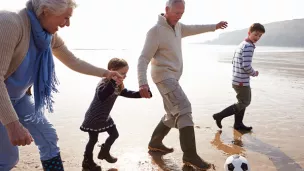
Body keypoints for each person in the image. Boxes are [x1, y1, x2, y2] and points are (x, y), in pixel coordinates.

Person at [0, 0, 122, 170]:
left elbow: (73, 61)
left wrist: (106, 73)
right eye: (65, 18)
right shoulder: (9, 23)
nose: (68, 24)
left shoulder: (48, 36)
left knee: (48, 137)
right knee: (8, 159)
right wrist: (13, 125)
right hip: (2, 102)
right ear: (45, 11)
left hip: (19, 99)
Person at [137, 0, 228, 170]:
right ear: (166, 9)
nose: (179, 16)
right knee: (184, 108)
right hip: (163, 77)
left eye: (182, 13)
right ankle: (190, 155)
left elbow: (195, 28)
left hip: (173, 77)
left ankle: (155, 143)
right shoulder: (155, 31)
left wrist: (214, 26)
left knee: (173, 113)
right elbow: (143, 59)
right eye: (177, 13)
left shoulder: (178, 27)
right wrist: (142, 83)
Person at [80, 58, 152, 171]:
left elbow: (126, 92)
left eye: (126, 74)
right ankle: (87, 162)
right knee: (93, 140)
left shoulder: (118, 85)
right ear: (112, 71)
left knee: (114, 134)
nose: (124, 76)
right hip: (94, 117)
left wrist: (141, 94)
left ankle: (104, 152)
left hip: (105, 116)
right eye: (122, 73)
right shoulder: (104, 82)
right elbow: (102, 96)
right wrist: (113, 81)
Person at [212, 23, 265, 131]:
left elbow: (234, 61)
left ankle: (238, 124)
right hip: (241, 81)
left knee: (242, 102)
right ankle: (219, 116)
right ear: (249, 33)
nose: (257, 38)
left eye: (260, 36)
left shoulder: (242, 44)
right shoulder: (248, 46)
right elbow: (246, 65)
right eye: (256, 34)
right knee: (245, 102)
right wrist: (254, 73)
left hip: (237, 79)